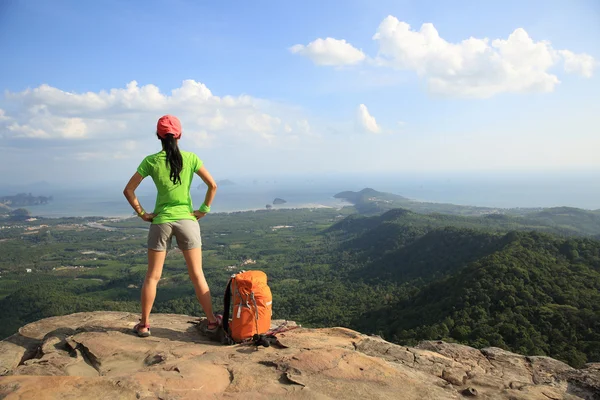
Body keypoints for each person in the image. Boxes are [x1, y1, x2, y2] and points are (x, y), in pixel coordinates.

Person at [123, 114, 221, 337]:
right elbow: (213, 185)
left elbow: (128, 190)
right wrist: (203, 210)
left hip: (161, 221)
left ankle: (145, 325)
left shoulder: (151, 161)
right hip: (188, 220)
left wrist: (142, 214)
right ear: (180, 135)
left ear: (158, 135)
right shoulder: (191, 158)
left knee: (152, 276)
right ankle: (213, 321)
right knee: (197, 274)